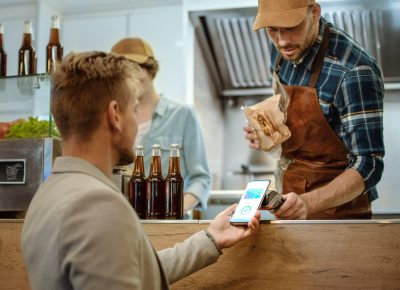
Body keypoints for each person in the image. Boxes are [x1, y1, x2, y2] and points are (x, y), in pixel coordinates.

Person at [20, 51, 260, 290]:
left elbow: (130, 271)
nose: (138, 124)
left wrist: (210, 240)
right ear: (115, 115)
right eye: (134, 110)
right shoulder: (97, 204)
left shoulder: (46, 194)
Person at [244, 0, 384, 219]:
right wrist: (269, 133)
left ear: (315, 13)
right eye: (272, 30)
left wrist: (307, 203)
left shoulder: (353, 71)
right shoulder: (281, 49)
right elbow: (288, 113)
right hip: (288, 199)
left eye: (291, 27)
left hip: (338, 215)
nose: (282, 41)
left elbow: (369, 164)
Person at [111, 37, 211, 215]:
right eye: (122, 73)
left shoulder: (182, 115)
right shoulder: (114, 119)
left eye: (136, 68)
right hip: (124, 220)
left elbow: (201, 178)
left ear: (150, 70)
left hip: (169, 224)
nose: (130, 78)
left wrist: (177, 209)